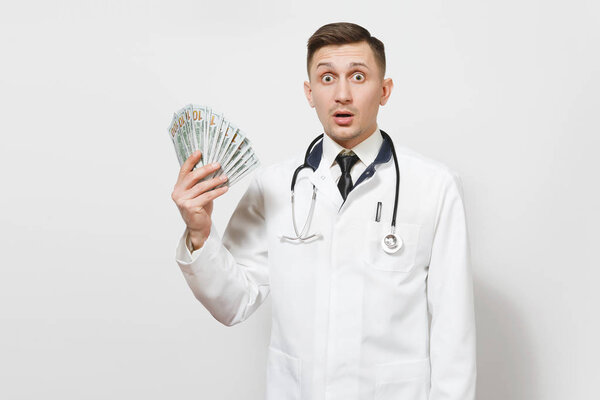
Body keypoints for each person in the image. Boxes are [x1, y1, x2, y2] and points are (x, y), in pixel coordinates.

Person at [171, 22, 476, 400]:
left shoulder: (435, 185)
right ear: (309, 92)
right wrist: (200, 232)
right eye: (327, 78)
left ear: (384, 91)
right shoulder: (274, 186)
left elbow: (454, 330)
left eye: (358, 76)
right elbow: (233, 303)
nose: (342, 94)